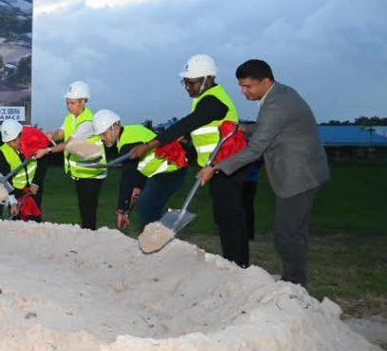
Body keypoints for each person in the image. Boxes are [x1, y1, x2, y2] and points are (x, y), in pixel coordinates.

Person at [199, 59, 330, 286]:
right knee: (294, 231)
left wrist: (215, 167)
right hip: (309, 170)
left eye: (248, 86)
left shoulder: (276, 106)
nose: (243, 91)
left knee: (286, 232)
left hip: (299, 175)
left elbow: (255, 150)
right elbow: (269, 128)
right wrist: (243, 127)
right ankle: (296, 281)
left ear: (266, 81)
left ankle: (295, 285)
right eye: (241, 86)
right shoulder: (281, 94)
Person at [130, 55, 249, 266]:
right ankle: (236, 263)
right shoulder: (204, 100)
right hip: (217, 167)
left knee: (230, 218)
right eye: (185, 82)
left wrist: (149, 145)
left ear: (208, 79)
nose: (187, 86)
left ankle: (237, 265)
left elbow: (186, 124)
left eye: (191, 82)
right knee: (226, 217)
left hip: (228, 167)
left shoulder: (214, 101)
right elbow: (200, 132)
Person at [89, 110, 187, 231]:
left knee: (146, 208)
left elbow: (127, 179)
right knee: (150, 206)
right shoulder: (130, 134)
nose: (102, 139)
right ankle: (166, 227)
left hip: (169, 171)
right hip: (172, 171)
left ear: (114, 127)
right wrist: (134, 194)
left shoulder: (127, 143)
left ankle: (160, 235)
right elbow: (138, 173)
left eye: (103, 134)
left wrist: (121, 210)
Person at [47, 81, 106, 229]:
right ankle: (86, 234)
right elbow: (60, 133)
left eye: (72, 103)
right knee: (83, 207)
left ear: (83, 101)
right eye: (67, 103)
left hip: (92, 171)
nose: (69, 106)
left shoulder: (88, 122)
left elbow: (68, 144)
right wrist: (50, 136)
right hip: (81, 171)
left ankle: (89, 237)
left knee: (88, 210)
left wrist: (47, 150)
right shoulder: (70, 118)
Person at [0, 120, 52, 221]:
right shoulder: (3, 151)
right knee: (13, 221)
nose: (12, 144)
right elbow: (5, 178)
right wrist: (12, 202)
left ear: (21, 135)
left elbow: (42, 164)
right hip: (14, 190)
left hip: (34, 189)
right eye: (8, 142)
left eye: (14, 140)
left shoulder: (33, 143)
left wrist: (36, 183)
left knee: (34, 221)